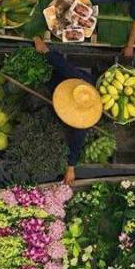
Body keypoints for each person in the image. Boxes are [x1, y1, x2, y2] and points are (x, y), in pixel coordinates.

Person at [33, 36, 102, 186]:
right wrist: (45, 50)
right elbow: (62, 65)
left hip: (67, 92)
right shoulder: (75, 79)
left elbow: (77, 141)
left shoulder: (83, 118)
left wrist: (70, 167)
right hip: (60, 81)